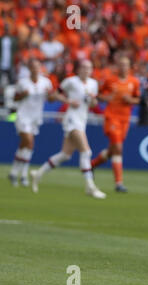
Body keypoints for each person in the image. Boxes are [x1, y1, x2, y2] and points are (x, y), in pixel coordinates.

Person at [30, 59, 106, 199]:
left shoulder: (93, 84)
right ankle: (90, 186)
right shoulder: (71, 81)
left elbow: (93, 104)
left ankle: (38, 174)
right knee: (86, 151)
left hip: (82, 119)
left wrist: (92, 99)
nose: (86, 70)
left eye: (89, 68)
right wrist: (68, 101)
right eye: (83, 67)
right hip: (72, 119)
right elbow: (55, 94)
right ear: (78, 69)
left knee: (65, 154)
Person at [90, 56, 140, 192]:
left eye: (126, 65)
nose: (123, 67)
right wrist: (106, 98)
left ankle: (92, 165)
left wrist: (130, 100)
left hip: (125, 119)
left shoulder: (134, 81)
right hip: (111, 117)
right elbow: (98, 95)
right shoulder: (110, 80)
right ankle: (119, 183)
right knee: (118, 147)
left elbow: (138, 99)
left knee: (113, 150)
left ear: (129, 67)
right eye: (121, 64)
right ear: (118, 67)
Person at [8, 59, 53, 187]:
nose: (35, 69)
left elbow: (50, 99)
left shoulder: (46, 82)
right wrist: (23, 95)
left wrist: (50, 95)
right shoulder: (22, 83)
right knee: (29, 142)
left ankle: (13, 172)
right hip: (23, 116)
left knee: (24, 145)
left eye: (38, 67)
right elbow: (15, 98)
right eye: (33, 67)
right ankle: (23, 175)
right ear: (29, 69)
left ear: (40, 68)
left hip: (35, 117)